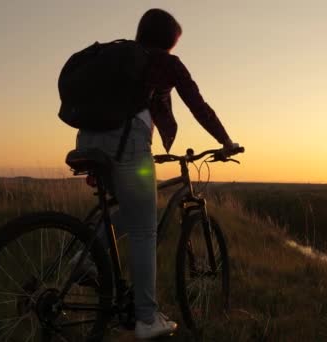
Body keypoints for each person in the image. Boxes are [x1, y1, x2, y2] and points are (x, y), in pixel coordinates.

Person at [74, 8, 237, 339]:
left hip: (88, 138)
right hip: (127, 141)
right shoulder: (164, 62)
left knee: (125, 213)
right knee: (145, 229)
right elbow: (197, 104)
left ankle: (85, 259)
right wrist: (226, 140)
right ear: (169, 41)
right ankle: (147, 319)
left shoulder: (117, 56)